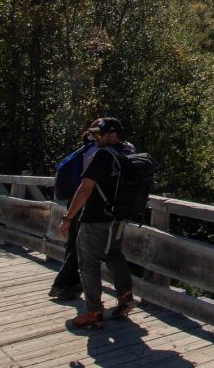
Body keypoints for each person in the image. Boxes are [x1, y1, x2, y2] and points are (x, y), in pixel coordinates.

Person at [57, 117, 137, 329]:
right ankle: (125, 295)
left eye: (99, 133)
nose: (95, 137)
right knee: (113, 254)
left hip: (96, 218)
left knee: (87, 262)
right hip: (118, 217)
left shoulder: (102, 156)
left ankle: (93, 311)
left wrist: (68, 218)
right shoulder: (128, 153)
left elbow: (85, 189)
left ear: (112, 134)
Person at [48, 132, 96, 300]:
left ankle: (71, 283)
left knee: (73, 243)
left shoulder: (83, 151)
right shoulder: (95, 153)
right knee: (80, 245)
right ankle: (61, 283)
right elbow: (87, 186)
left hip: (73, 200)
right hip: (84, 202)